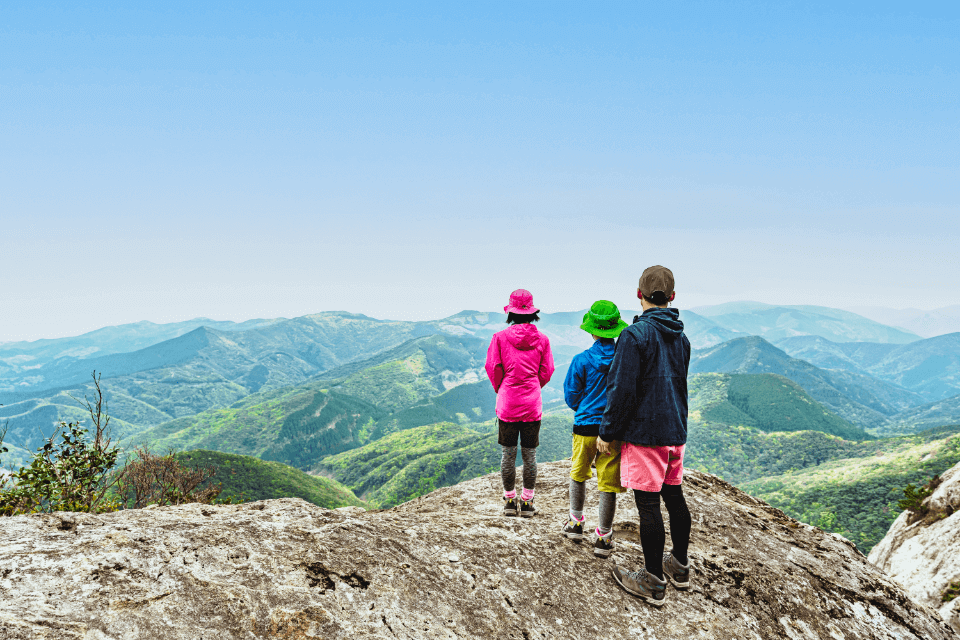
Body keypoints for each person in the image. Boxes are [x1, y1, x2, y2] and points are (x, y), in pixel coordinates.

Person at [599, 265, 692, 607]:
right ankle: (679, 567)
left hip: (646, 434)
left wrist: (608, 433)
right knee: (675, 496)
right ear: (672, 297)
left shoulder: (634, 337)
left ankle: (653, 581)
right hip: (675, 432)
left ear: (638, 295)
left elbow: (621, 390)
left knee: (648, 505)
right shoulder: (681, 338)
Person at [561, 300, 628, 558]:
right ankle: (604, 536)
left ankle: (576, 523)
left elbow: (571, 397)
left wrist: (585, 407)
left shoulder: (581, 360)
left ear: (592, 330)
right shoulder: (624, 362)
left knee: (578, 473)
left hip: (585, 427)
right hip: (612, 430)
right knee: (608, 483)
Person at [485, 289, 555, 518]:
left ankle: (508, 501)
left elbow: (493, 368)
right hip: (531, 404)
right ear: (532, 313)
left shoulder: (499, 338)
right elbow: (547, 370)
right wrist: (533, 386)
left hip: (508, 403)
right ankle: (527, 503)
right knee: (529, 456)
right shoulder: (543, 340)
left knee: (508, 455)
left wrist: (502, 388)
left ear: (511, 313)